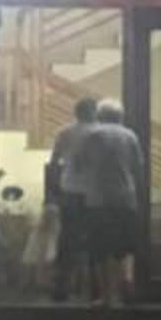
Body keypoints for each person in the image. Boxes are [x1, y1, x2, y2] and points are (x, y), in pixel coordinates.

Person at [78, 98, 146, 307]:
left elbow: (81, 163)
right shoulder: (130, 136)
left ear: (99, 115)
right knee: (126, 244)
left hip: (98, 197)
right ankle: (127, 277)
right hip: (125, 196)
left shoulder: (92, 135)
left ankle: (106, 295)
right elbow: (138, 166)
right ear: (120, 116)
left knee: (100, 248)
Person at [48, 96, 100, 302]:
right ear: (94, 111)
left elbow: (54, 162)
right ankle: (95, 289)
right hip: (95, 192)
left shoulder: (64, 132)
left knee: (67, 240)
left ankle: (61, 287)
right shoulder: (101, 132)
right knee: (96, 240)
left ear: (76, 113)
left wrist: (53, 191)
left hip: (70, 189)